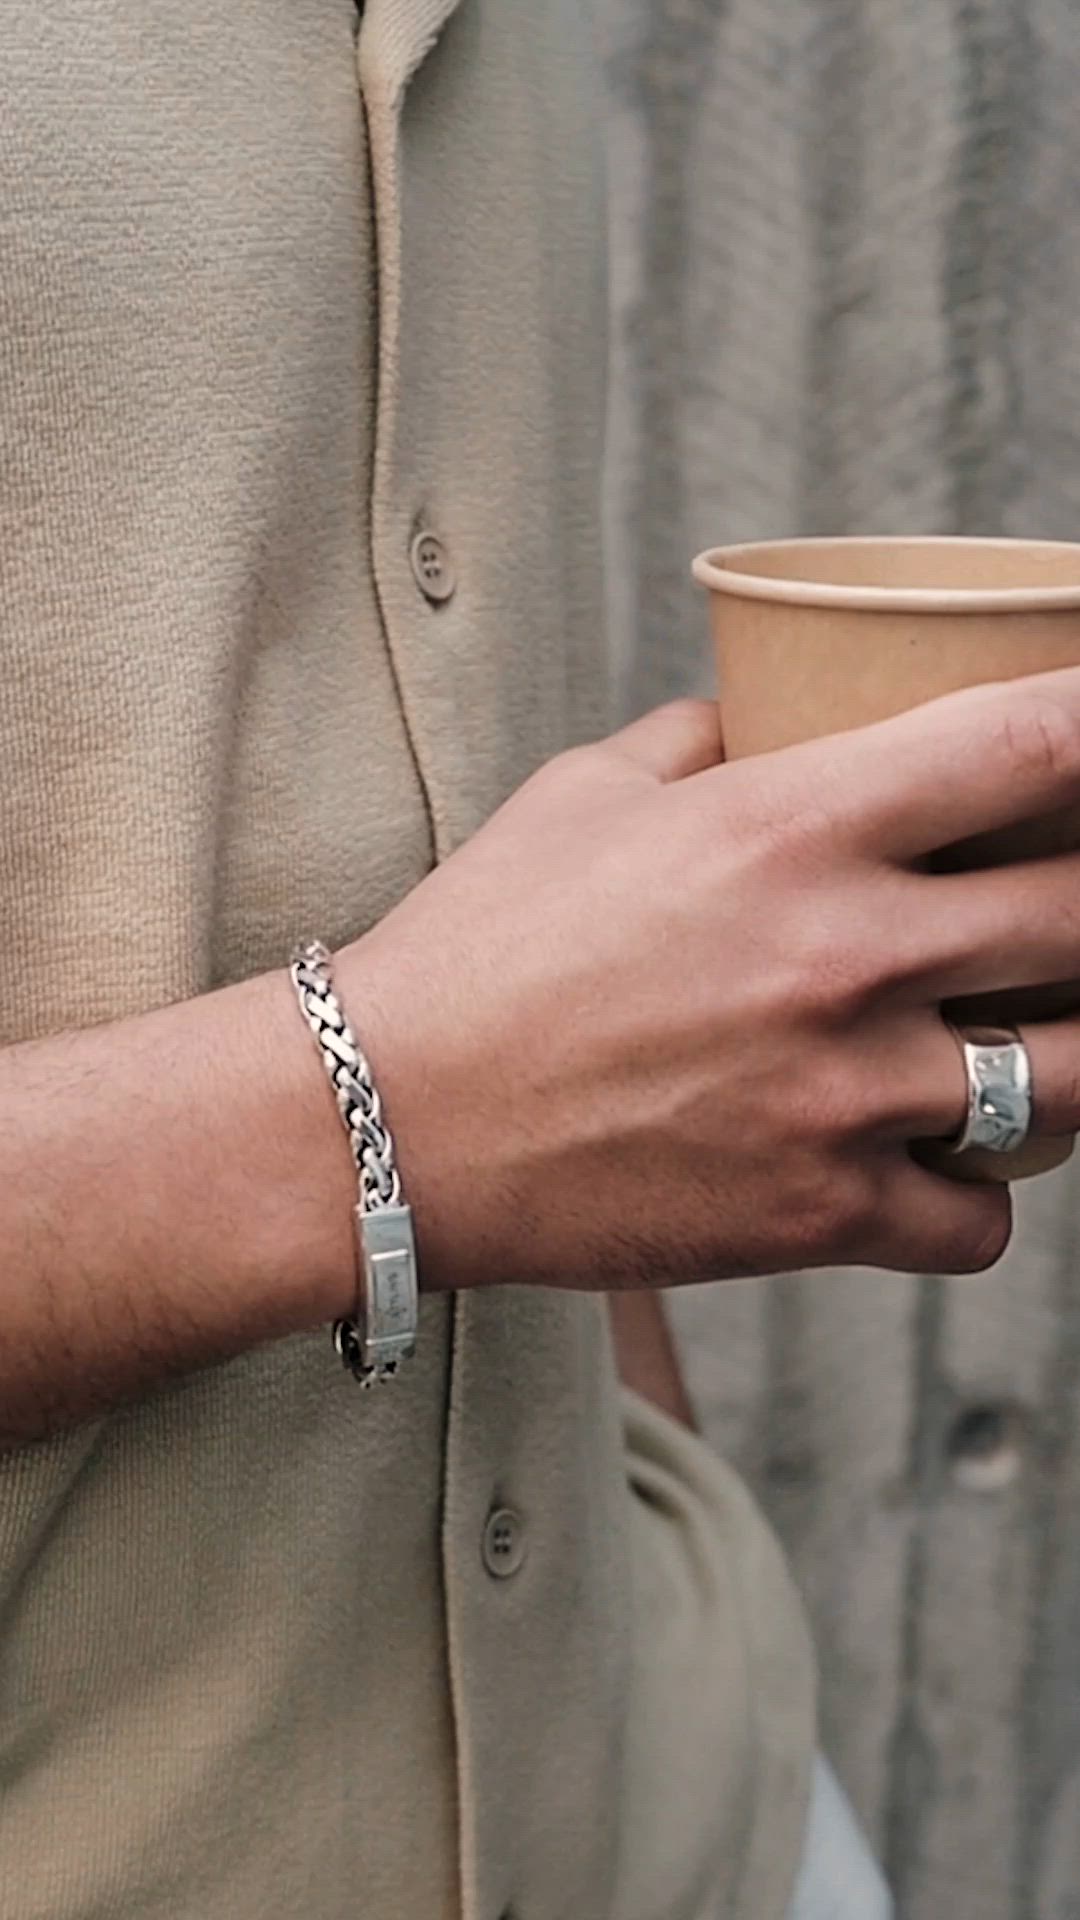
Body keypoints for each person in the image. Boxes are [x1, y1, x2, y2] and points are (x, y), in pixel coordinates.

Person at [4, 2, 1080, 1915]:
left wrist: (661, 1491)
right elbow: (474, 1059)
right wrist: (391, 1113)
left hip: (687, 1795)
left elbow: (484, 828)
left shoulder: (508, 41)